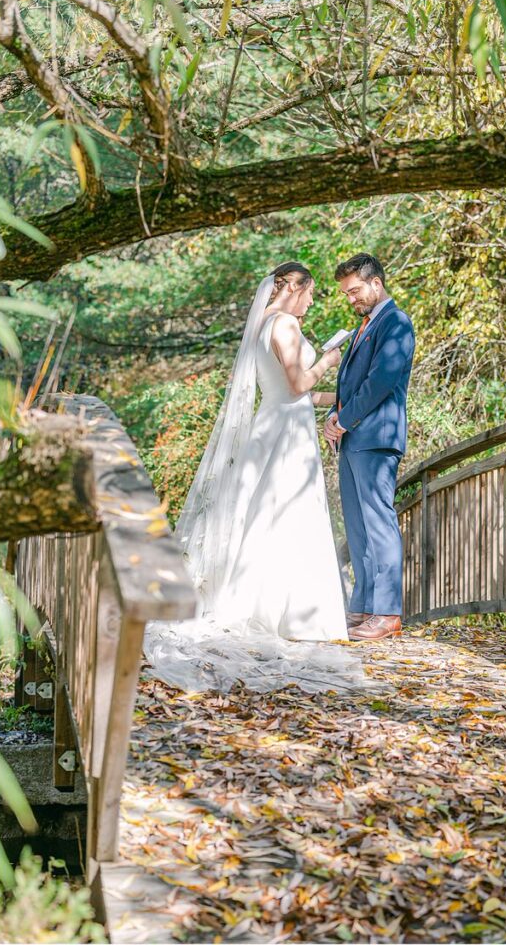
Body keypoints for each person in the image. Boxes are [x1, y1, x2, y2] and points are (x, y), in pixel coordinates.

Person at [145, 264, 364, 693]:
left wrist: (343, 399)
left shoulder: (266, 323)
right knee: (283, 516)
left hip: (283, 421)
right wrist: (329, 360)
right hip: (284, 431)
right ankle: (280, 613)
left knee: (275, 516)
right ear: (294, 288)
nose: (313, 301)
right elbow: (300, 382)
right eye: (311, 292)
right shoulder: (282, 324)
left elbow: (294, 392)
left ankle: (289, 610)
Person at [323, 253, 415, 641]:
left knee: (379, 522)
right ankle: (362, 606)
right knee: (357, 526)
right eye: (347, 293)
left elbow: (379, 382)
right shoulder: (363, 326)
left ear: (376, 283)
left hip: (376, 438)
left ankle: (388, 611)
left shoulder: (396, 323)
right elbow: (352, 384)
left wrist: (344, 419)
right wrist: (334, 413)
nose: (351, 299)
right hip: (353, 437)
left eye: (355, 291)